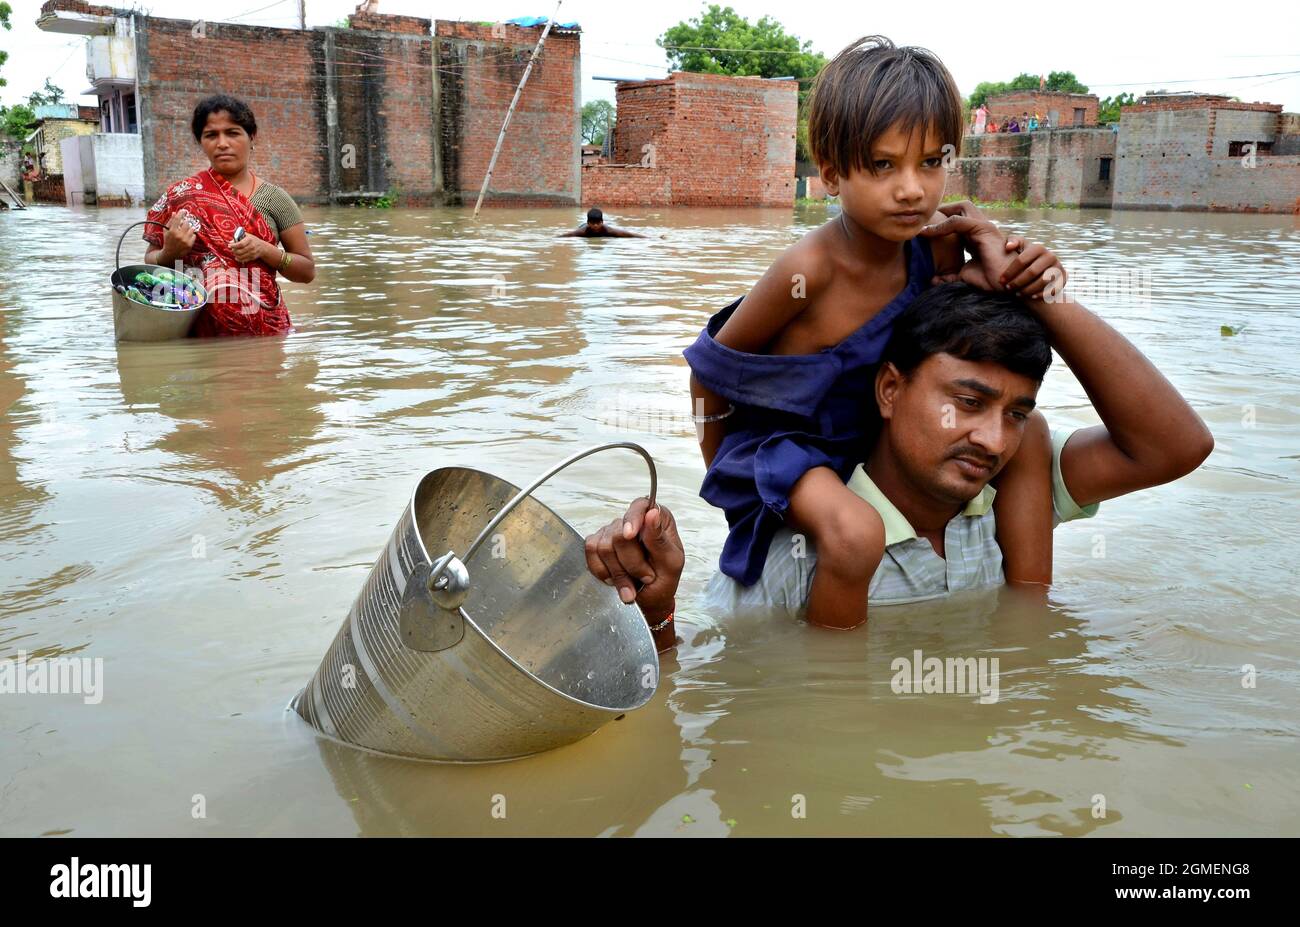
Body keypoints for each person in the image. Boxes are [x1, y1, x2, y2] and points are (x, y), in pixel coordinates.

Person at [586, 250, 1214, 630]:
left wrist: (1038, 295)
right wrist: (657, 610)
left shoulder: (1011, 502)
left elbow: (1174, 446)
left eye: (1017, 413)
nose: (993, 440)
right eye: (967, 402)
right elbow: (703, 697)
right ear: (889, 390)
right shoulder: (800, 555)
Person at [684, 36, 1061, 631]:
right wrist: (733, 484)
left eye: (931, 162)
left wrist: (1030, 271)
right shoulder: (807, 272)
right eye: (884, 165)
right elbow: (710, 372)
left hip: (865, 443)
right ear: (831, 174)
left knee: (1030, 436)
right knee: (858, 534)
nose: (912, 189)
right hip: (784, 451)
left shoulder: (934, 244)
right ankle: (836, 686)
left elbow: (955, 339)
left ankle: (1025, 628)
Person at [143, 94, 316, 337]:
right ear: (200, 141)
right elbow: (149, 267)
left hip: (263, 334)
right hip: (194, 332)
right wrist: (168, 254)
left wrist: (265, 250)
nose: (222, 143)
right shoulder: (179, 197)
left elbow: (307, 271)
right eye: (211, 135)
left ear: (251, 136)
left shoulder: (275, 199)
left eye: (233, 133)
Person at [559, 207, 646, 238]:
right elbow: (566, 235)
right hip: (582, 225)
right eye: (593, 223)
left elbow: (630, 235)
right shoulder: (583, 231)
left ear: (602, 222)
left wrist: (649, 238)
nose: (596, 226)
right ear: (589, 223)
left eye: (598, 223)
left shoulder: (609, 231)